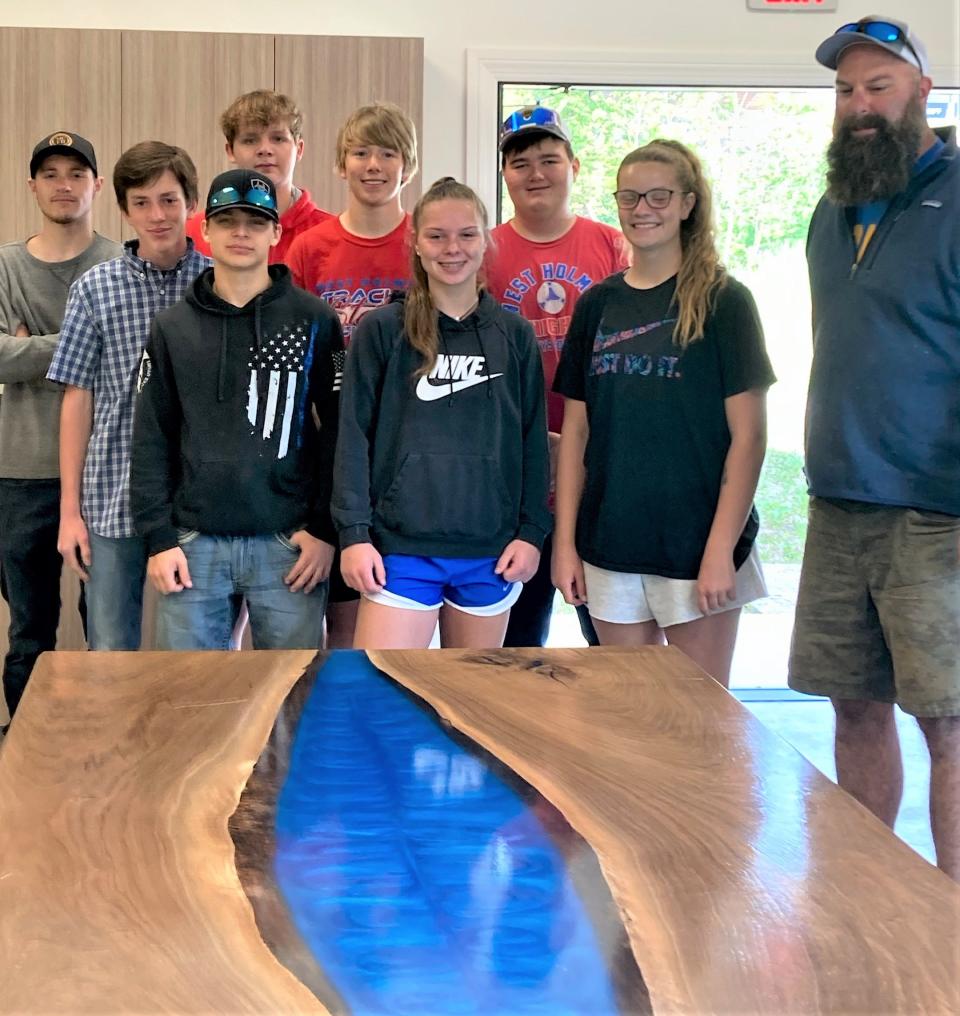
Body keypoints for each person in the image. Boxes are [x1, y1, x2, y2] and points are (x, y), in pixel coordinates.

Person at [787, 16, 960, 880]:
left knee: (951, 723)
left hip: (939, 516)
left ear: (924, 91)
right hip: (839, 502)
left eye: (878, 86)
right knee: (854, 707)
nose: (859, 105)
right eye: (846, 90)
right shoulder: (836, 207)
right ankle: (867, 898)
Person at [552, 139, 774, 686]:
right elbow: (576, 434)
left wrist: (721, 549)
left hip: (697, 547)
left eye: (658, 195)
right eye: (629, 197)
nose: (641, 209)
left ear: (687, 203)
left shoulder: (726, 301)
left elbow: (749, 439)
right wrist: (565, 546)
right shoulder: (597, 304)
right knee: (630, 718)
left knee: (700, 724)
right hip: (610, 544)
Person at [130, 169, 343, 650]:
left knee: (291, 695)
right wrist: (159, 539)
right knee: (194, 700)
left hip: (289, 546)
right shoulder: (172, 327)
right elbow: (151, 438)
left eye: (255, 220)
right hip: (192, 545)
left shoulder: (314, 320)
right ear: (204, 229)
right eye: (227, 221)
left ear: (276, 231)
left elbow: (338, 433)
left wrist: (325, 530)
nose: (241, 233)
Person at [334, 177, 551, 650]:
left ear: (486, 240)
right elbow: (351, 437)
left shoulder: (513, 336)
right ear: (414, 242)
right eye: (437, 235)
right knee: (385, 703)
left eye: (467, 234)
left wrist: (532, 532)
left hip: (490, 552)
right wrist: (353, 534)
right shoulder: (382, 330)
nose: (452, 248)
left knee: (471, 709)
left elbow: (534, 441)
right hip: (401, 550)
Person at [46, 141, 208, 650]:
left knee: (196, 652)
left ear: (191, 203)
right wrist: (70, 512)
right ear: (123, 209)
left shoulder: (216, 283)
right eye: (141, 202)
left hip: (196, 502)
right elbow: (77, 399)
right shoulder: (95, 287)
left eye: (168, 200)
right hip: (110, 497)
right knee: (110, 649)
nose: (156, 215)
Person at [485, 105, 628, 649]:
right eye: (520, 163)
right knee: (518, 641)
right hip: (516, 470)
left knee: (611, 632)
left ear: (575, 164)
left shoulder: (612, 245)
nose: (536, 173)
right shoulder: (485, 251)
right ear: (505, 174)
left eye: (549, 159)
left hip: (598, 463)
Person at [288, 101, 419, 648]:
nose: (373, 165)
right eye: (360, 152)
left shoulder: (425, 243)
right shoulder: (310, 248)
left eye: (387, 153)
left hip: (404, 446)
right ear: (340, 165)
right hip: (328, 445)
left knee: (382, 610)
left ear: (406, 166)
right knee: (316, 607)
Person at [0, 132, 119, 723]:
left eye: (77, 172)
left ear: (97, 185)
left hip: (104, 475)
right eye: (50, 173)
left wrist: (31, 347)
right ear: (32, 186)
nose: (64, 183)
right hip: (19, 475)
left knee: (105, 627)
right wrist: (80, 346)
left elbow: (129, 359)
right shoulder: (5, 264)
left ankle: (97, 748)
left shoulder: (119, 265)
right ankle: (25, 759)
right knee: (29, 632)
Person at [185, 90, 330, 265]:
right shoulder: (194, 233)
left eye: (277, 138)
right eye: (250, 140)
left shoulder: (329, 236)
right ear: (230, 151)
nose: (265, 149)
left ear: (298, 149)